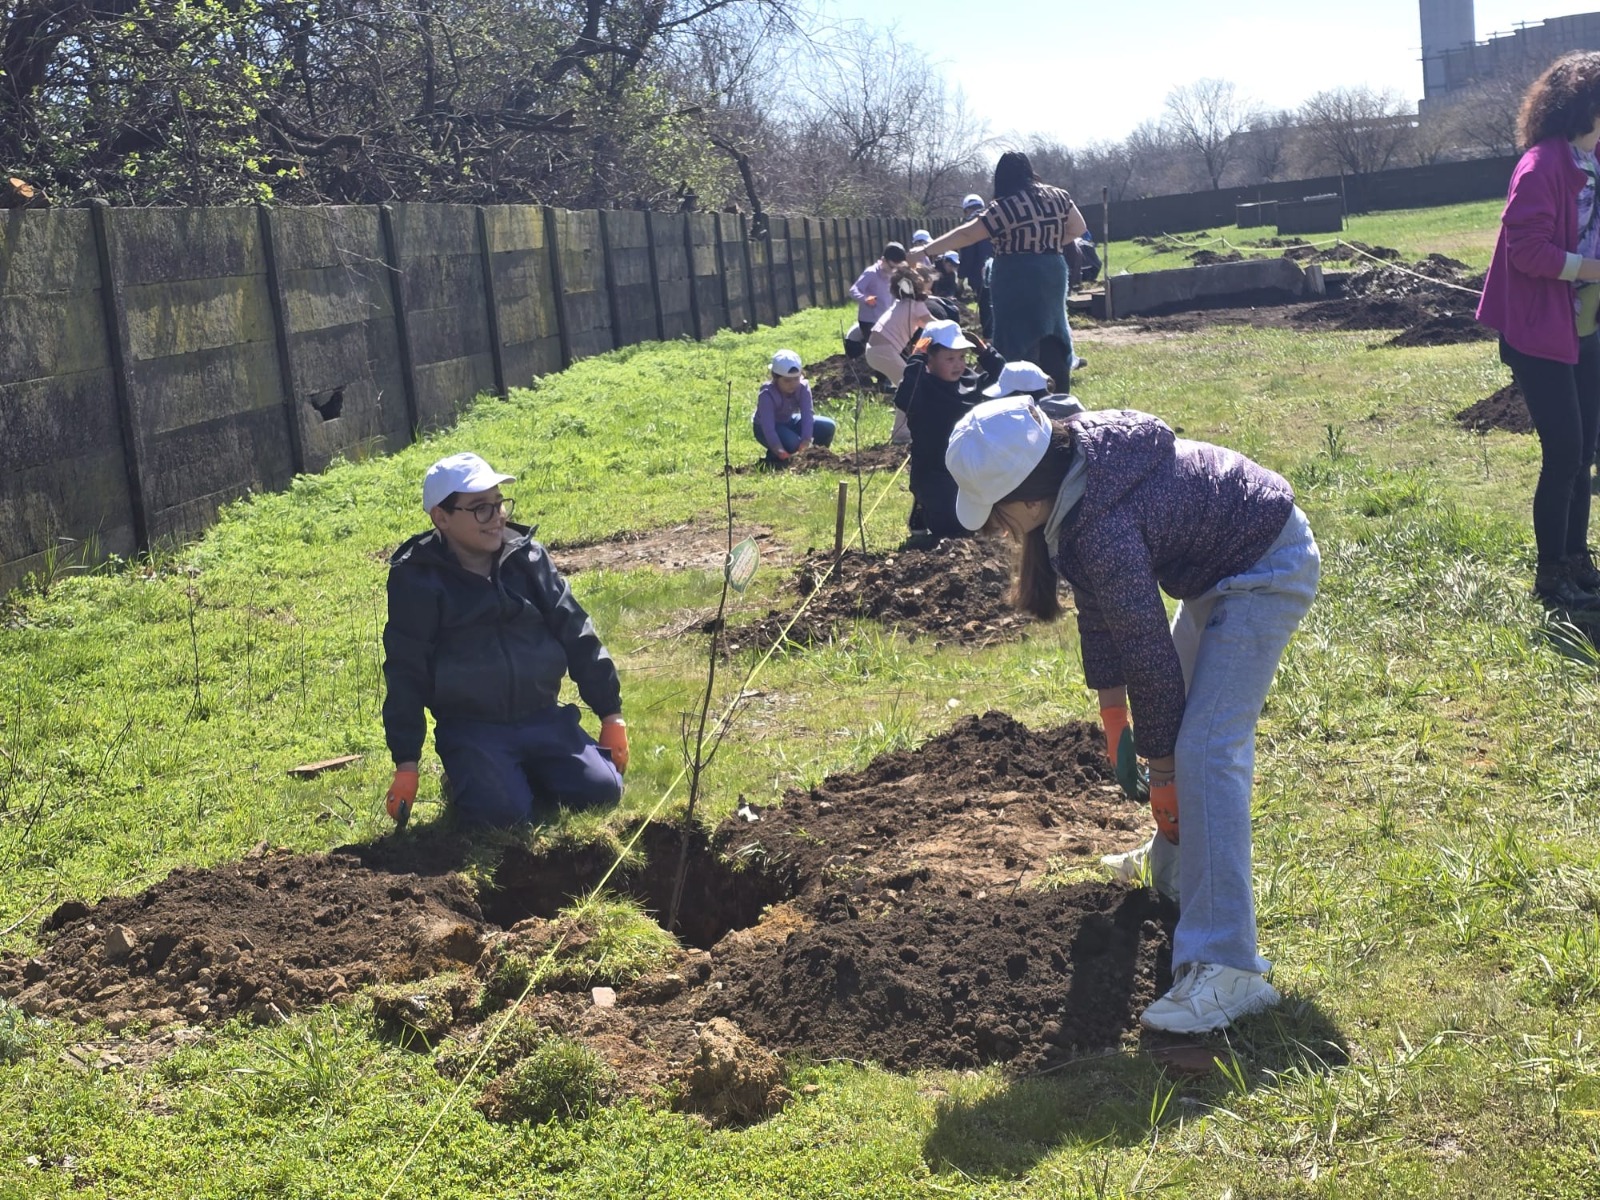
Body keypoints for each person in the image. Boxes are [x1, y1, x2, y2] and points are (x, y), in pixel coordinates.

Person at [943, 398, 1318, 1034]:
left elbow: (1147, 651)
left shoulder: (1101, 525)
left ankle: (1229, 968)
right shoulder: (1074, 481)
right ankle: (1171, 869)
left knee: (1204, 751)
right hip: (1218, 566)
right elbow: (1102, 611)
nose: (1000, 529)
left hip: (1263, 566)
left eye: (999, 515)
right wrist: (1113, 711)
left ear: (1026, 501)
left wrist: (1164, 769)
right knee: (1186, 747)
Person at [382, 452, 629, 829]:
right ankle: (470, 775)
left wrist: (611, 715)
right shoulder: (417, 581)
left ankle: (517, 773)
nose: (497, 517)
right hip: (474, 728)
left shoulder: (528, 558)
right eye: (481, 509)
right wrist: (407, 764)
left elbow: (575, 630)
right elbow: (406, 670)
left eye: (499, 504)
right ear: (441, 517)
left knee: (603, 789)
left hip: (544, 717)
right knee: (505, 817)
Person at [1477, 51, 1600, 612]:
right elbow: (1528, 251)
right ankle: (1551, 577)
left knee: (1586, 450)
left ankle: (1577, 559)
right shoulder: (1542, 164)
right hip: (1540, 330)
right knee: (1566, 451)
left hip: (1586, 326)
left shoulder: (1592, 160)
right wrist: (1590, 269)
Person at [922, 152, 1086, 393]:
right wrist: (1047, 243)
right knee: (1053, 332)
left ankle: (1018, 390)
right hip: (1052, 272)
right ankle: (1060, 392)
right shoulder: (1058, 196)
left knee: (1015, 338)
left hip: (1015, 276)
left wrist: (928, 249)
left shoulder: (1005, 207)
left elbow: (968, 234)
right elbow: (1078, 228)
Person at [893, 318, 1005, 538]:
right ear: (930, 360)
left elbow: (1002, 376)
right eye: (950, 358)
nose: (958, 364)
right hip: (935, 472)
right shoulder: (922, 386)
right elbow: (904, 398)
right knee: (954, 528)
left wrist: (984, 349)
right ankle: (924, 508)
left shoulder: (970, 381)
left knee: (992, 522)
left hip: (972, 466)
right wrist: (917, 355)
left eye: (962, 357)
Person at [866, 270, 934, 439]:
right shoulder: (915, 304)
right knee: (910, 386)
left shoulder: (902, 303)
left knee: (906, 385)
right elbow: (932, 324)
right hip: (883, 350)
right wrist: (954, 329)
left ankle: (903, 429)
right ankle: (901, 433)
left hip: (874, 349)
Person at [753, 349, 837, 465]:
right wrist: (779, 450)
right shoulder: (767, 394)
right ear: (776, 377)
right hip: (764, 429)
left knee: (828, 426)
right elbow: (769, 428)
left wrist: (806, 442)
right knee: (793, 444)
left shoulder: (802, 387)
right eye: (787, 380)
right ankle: (774, 457)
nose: (793, 384)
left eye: (796, 379)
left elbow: (807, 415)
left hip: (788, 421)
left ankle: (817, 458)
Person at [850, 242, 908, 341]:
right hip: (870, 321)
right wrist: (865, 299)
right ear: (883, 260)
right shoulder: (871, 273)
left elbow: (906, 289)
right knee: (876, 347)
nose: (893, 271)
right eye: (892, 267)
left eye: (897, 268)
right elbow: (853, 290)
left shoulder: (896, 274)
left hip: (887, 319)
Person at [957, 193, 995, 338]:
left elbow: (967, 258)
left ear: (966, 210)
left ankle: (989, 340)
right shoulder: (994, 220)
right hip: (1001, 271)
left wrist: (960, 281)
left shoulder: (969, 227)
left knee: (986, 307)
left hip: (980, 275)